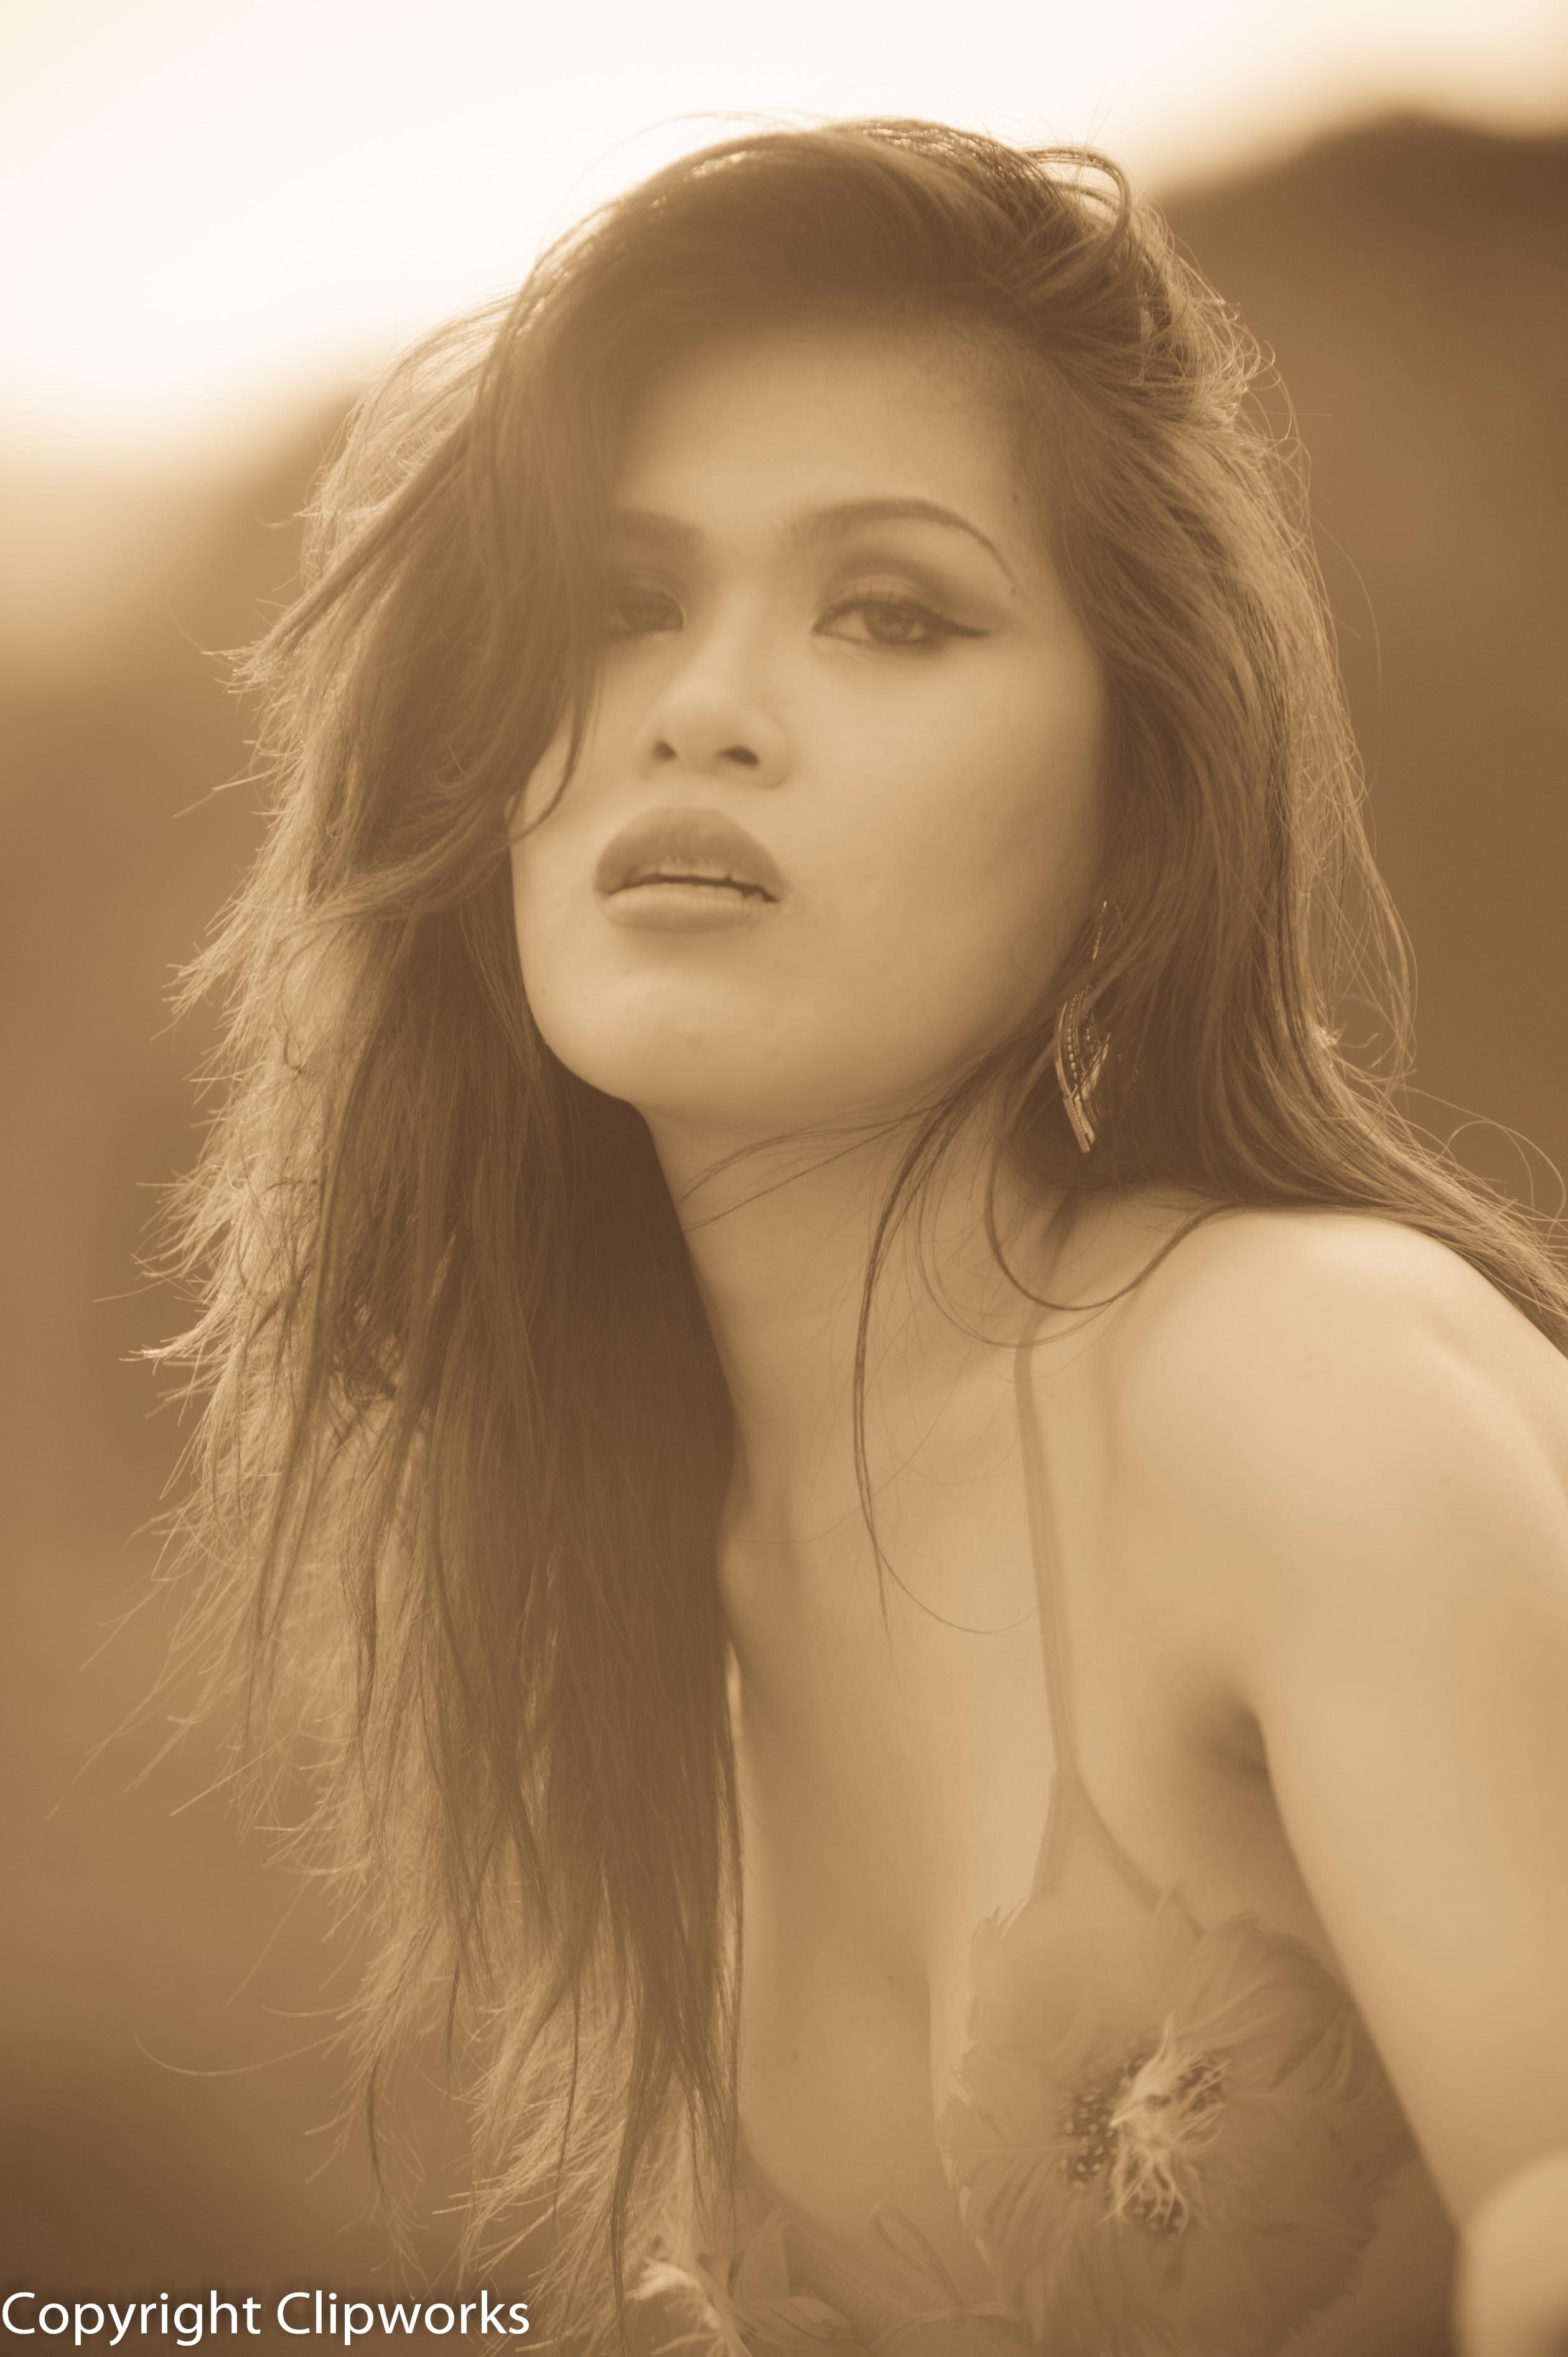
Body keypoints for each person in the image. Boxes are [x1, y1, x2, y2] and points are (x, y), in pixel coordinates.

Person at [163, 119, 1568, 2356]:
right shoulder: (607, 1579)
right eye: (620, 604)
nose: (698, 706)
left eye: (892, 612)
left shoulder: (1294, 1378)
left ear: (1135, 809)